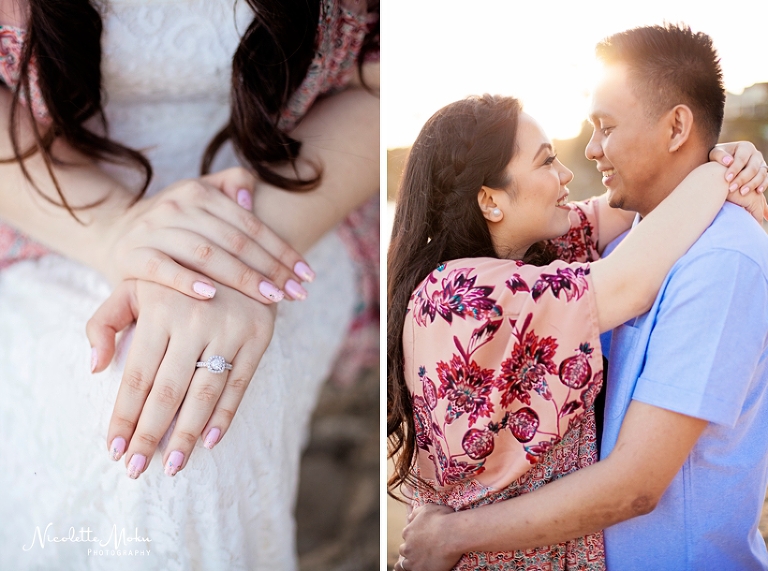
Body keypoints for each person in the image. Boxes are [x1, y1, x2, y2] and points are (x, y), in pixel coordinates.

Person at [0, 0, 378, 569]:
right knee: (139, 408)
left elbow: (384, 83)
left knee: (200, 430)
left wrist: (239, 255)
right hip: (52, 205)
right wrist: (118, 232)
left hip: (295, 198)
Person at [396, 24, 768, 571]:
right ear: (490, 200)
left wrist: (731, 159)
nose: (578, 162)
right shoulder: (461, 294)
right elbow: (624, 281)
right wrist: (717, 170)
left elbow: (618, 211)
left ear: (676, 126)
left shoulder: (566, 249)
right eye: (547, 161)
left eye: (606, 127)